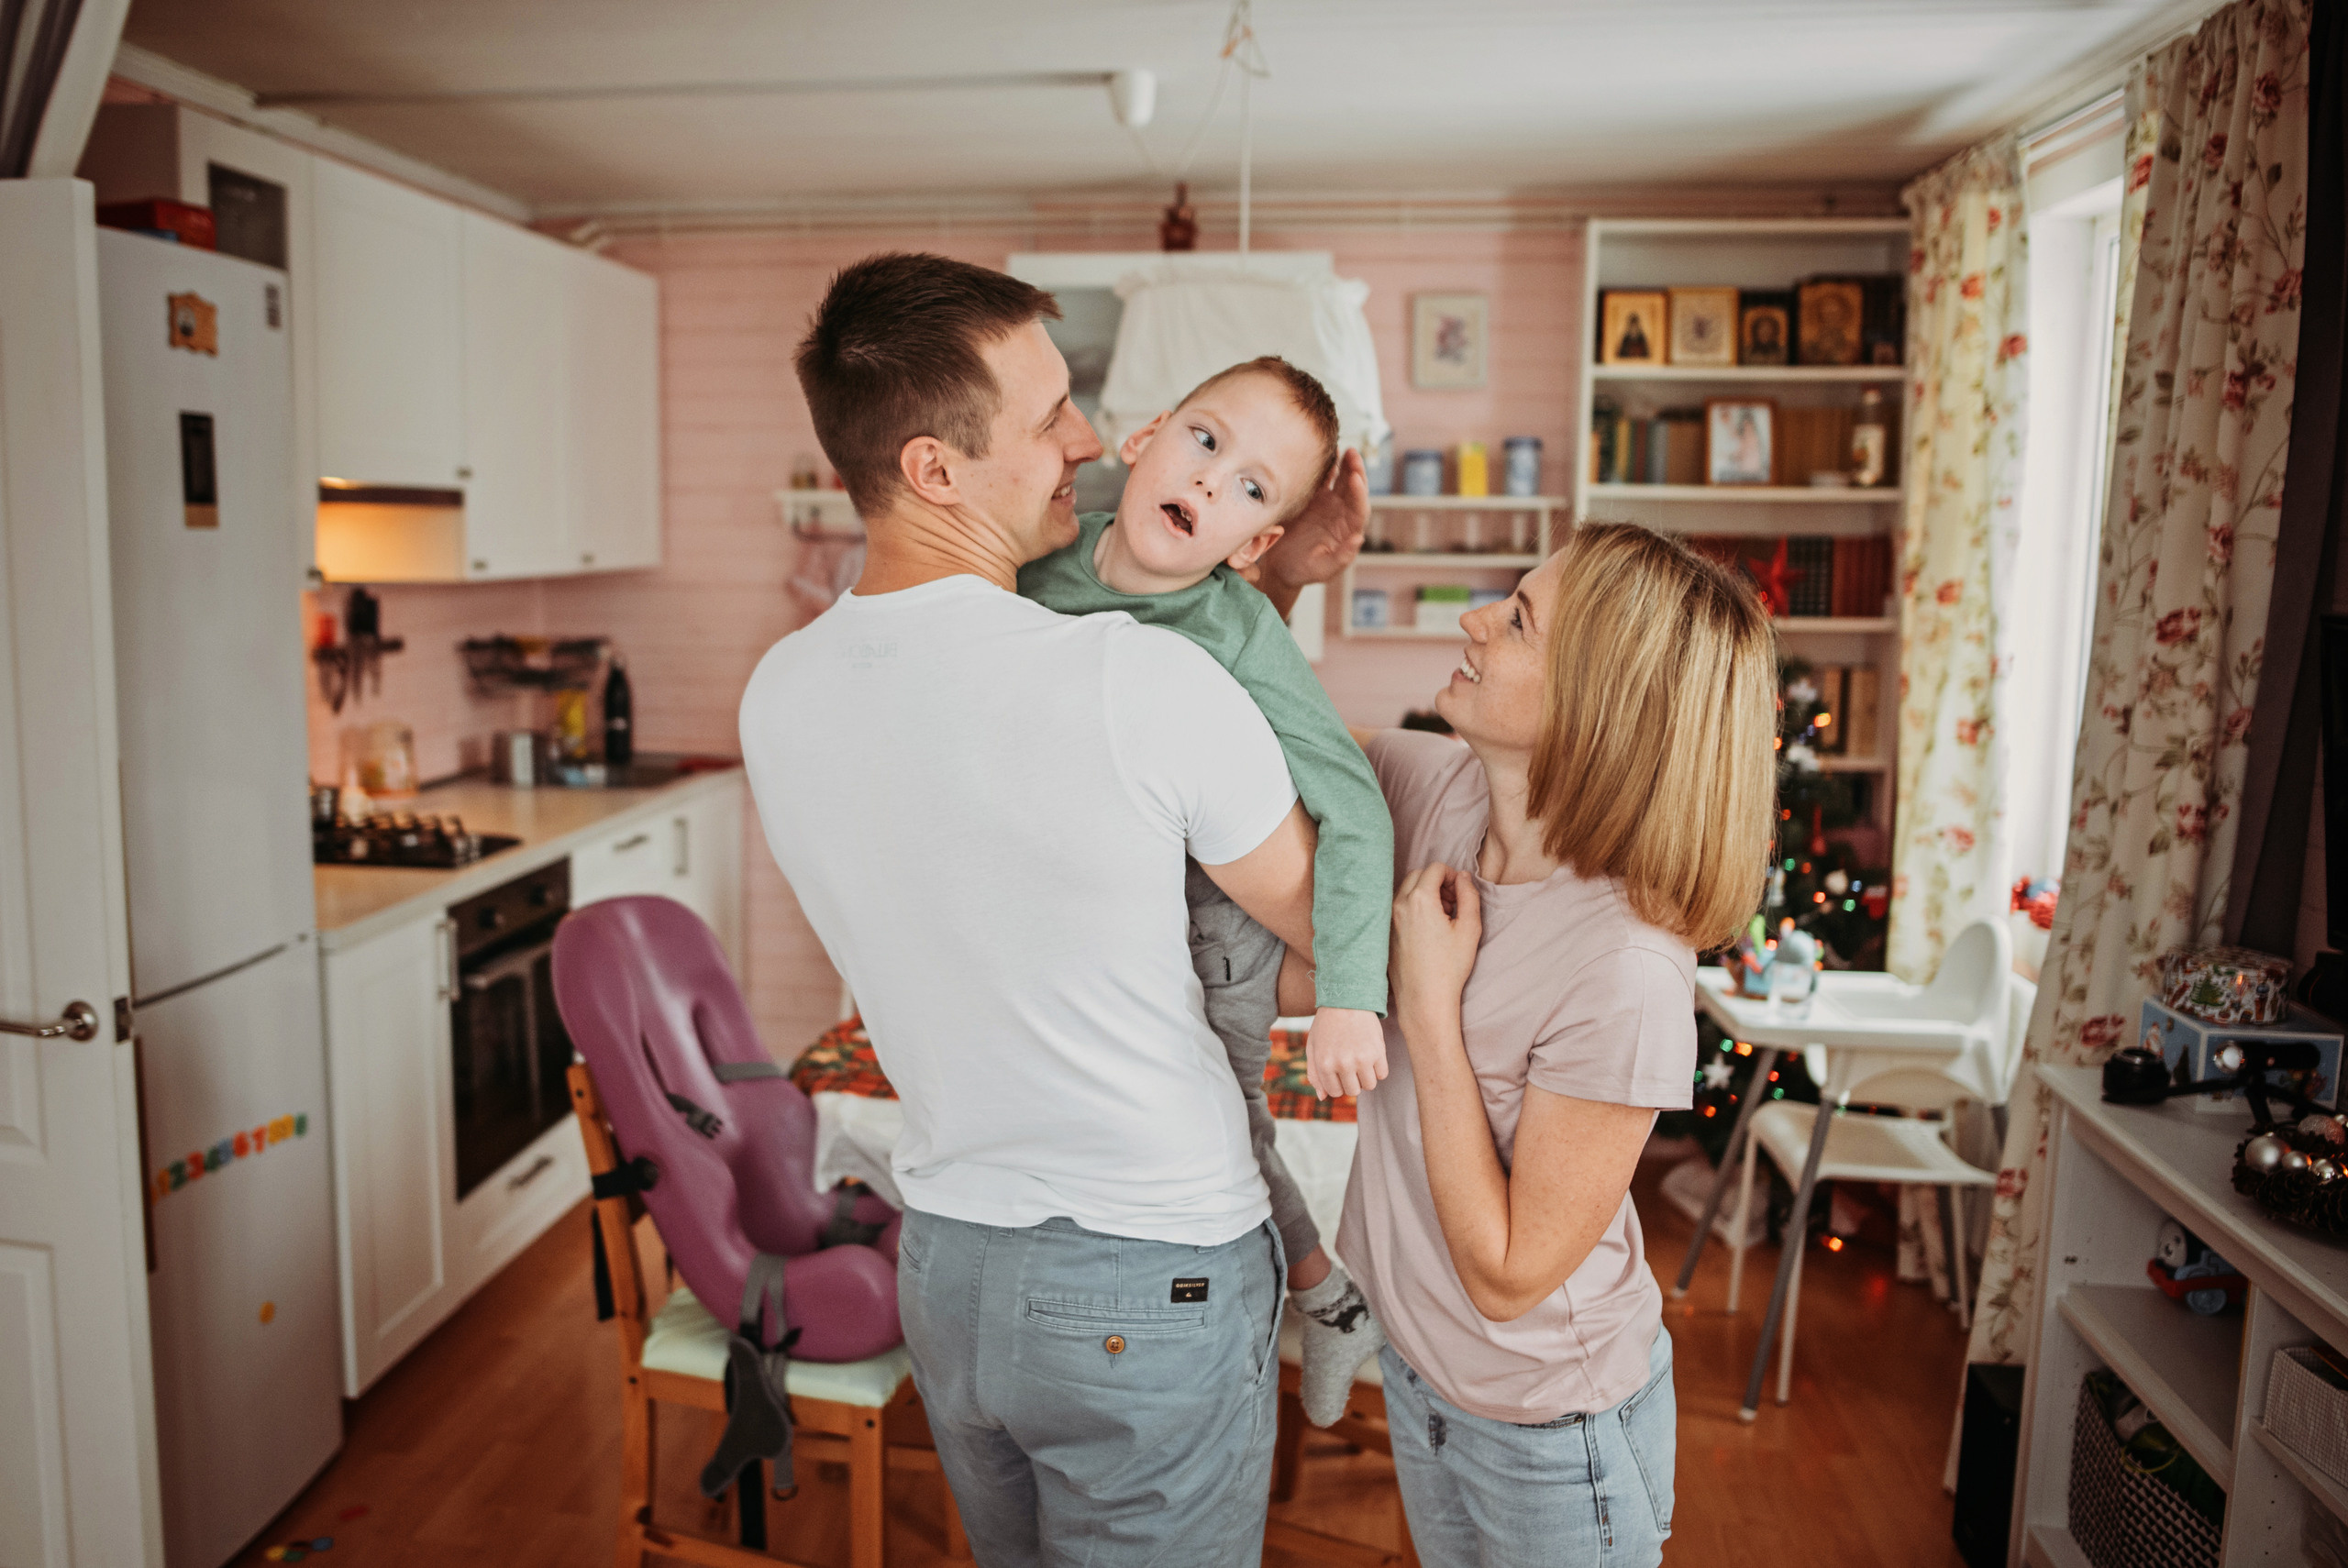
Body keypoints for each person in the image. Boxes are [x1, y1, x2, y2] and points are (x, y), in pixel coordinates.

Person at [737, 251, 1368, 1564]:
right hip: (1155, 1268)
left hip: (954, 1270)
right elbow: (1325, 940)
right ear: (934, 469)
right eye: (1047, 418)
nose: (1092, 435)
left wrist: (1264, 585)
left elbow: (1014, 885)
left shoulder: (777, 697)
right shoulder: (1137, 682)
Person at [1326, 522, 1776, 1567]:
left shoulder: (1624, 968)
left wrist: (1426, 1008)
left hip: (1545, 1425)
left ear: (1598, 706)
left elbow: (1509, 1276)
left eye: (1518, 618)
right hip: (1422, 1368)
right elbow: (1260, 741)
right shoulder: (1433, 790)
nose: (1474, 621)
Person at [1015, 354, 1393, 1426]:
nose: (1216, 482)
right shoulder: (1035, 552)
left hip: (1211, 937)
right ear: (1144, 440)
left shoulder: (1238, 632)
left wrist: (1349, 996)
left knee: (1224, 1136)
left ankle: (1311, 1298)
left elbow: (1356, 808)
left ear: (1258, 544)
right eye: (1207, 442)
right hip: (1087, 923)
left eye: (1254, 489)